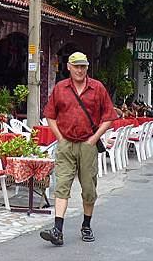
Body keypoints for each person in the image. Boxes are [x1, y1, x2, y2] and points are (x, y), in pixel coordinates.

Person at [39, 52, 117, 246]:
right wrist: (60, 137)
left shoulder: (97, 88)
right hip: (66, 144)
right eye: (76, 66)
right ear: (69, 67)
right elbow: (50, 115)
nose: (80, 70)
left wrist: (94, 138)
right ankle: (57, 230)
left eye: (83, 66)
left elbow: (109, 116)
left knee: (89, 188)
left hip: (87, 145)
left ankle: (86, 225)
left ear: (87, 67)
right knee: (61, 185)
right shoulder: (60, 88)